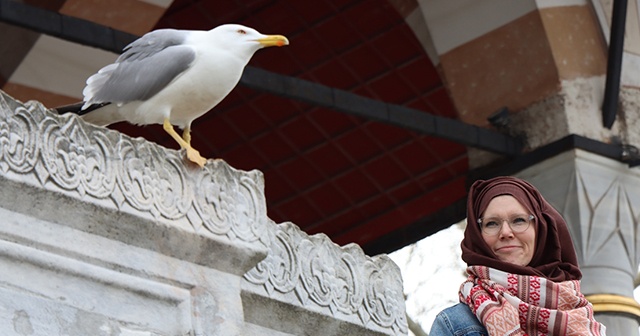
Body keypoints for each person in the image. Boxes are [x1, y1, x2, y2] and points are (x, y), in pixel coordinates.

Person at [429, 176, 606, 335]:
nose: (506, 232)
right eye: (492, 223)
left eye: (519, 220)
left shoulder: (582, 319)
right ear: (477, 235)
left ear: (542, 230)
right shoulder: (454, 325)